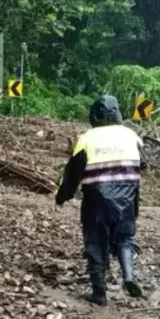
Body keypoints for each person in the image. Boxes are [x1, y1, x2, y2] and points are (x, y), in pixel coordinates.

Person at [56, 95, 147, 306]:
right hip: (127, 199)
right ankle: (128, 276)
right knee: (125, 238)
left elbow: (73, 174)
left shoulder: (87, 138)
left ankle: (99, 292)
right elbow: (143, 163)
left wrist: (63, 196)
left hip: (97, 200)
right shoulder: (131, 135)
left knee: (96, 242)